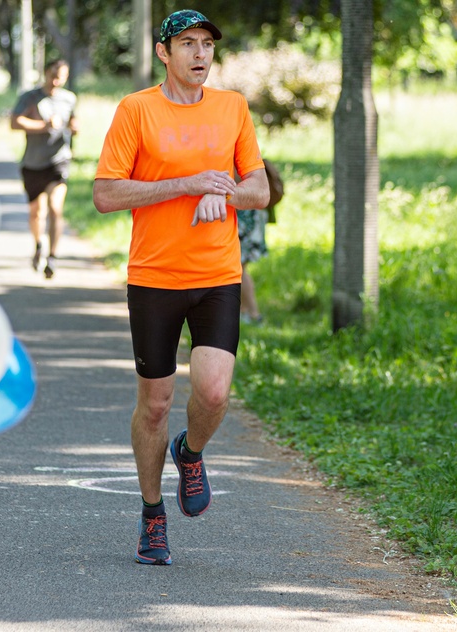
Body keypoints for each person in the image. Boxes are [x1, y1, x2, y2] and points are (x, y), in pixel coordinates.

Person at [93, 10, 269, 565]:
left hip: (218, 274)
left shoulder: (232, 108)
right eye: (187, 44)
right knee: (156, 403)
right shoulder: (136, 110)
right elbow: (106, 194)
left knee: (214, 392)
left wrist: (226, 195)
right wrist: (187, 184)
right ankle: (151, 515)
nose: (200, 54)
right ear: (163, 53)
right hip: (155, 278)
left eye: (207, 45)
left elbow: (259, 188)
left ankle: (189, 453)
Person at [10, 59, 77, 279]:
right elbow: (14, 122)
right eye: (54, 75)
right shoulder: (30, 97)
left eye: (62, 76)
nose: (57, 80)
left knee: (55, 208)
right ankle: (39, 244)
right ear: (46, 73)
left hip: (58, 160)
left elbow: (73, 123)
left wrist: (74, 128)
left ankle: (53, 257)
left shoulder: (69, 99)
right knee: (36, 212)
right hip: (33, 163)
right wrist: (43, 126)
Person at [237, 158, 283, 325]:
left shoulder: (236, 154)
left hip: (248, 216)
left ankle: (255, 314)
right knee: (240, 268)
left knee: (240, 269)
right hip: (252, 215)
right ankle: (243, 312)